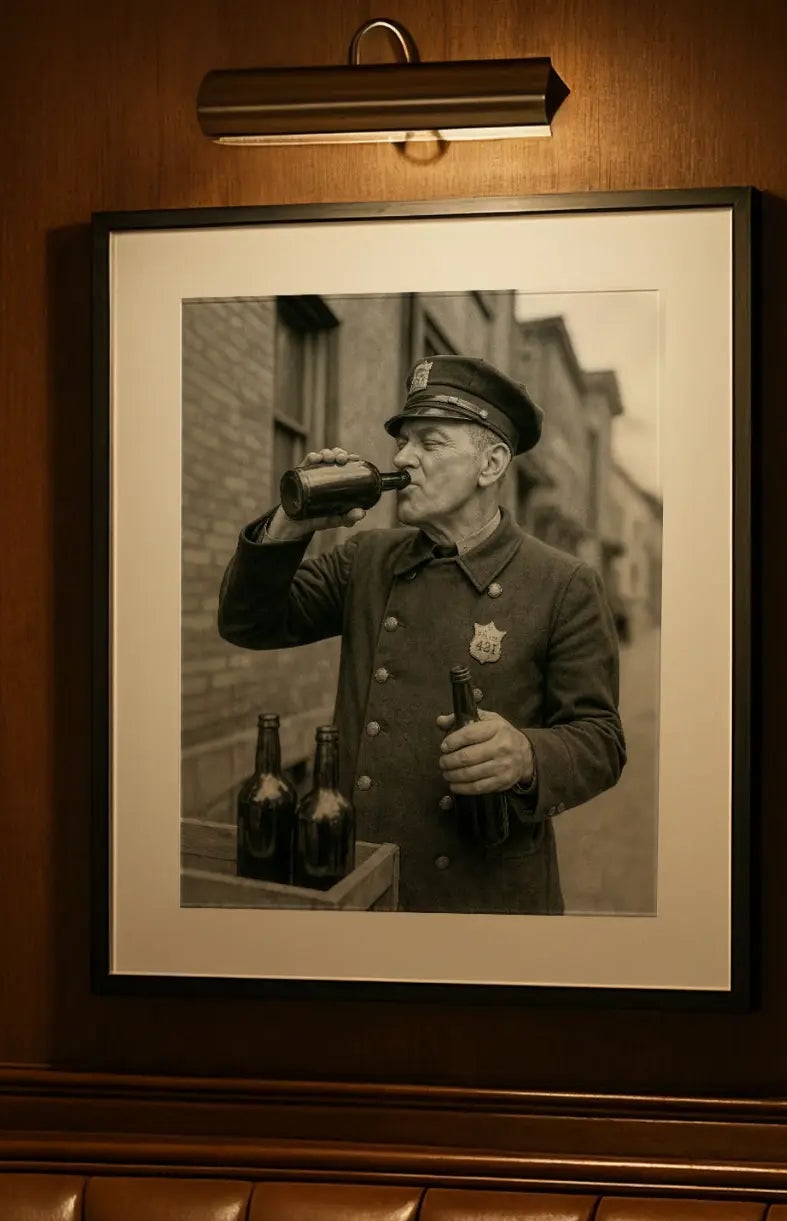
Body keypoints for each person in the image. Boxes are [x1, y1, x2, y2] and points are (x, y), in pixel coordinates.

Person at [216, 355, 624, 914]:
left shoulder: (564, 583)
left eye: (429, 443)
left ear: (492, 463)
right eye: (403, 442)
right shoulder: (367, 556)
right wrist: (292, 524)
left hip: (484, 898)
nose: (403, 458)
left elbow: (601, 740)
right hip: (357, 878)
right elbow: (248, 622)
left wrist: (527, 754)